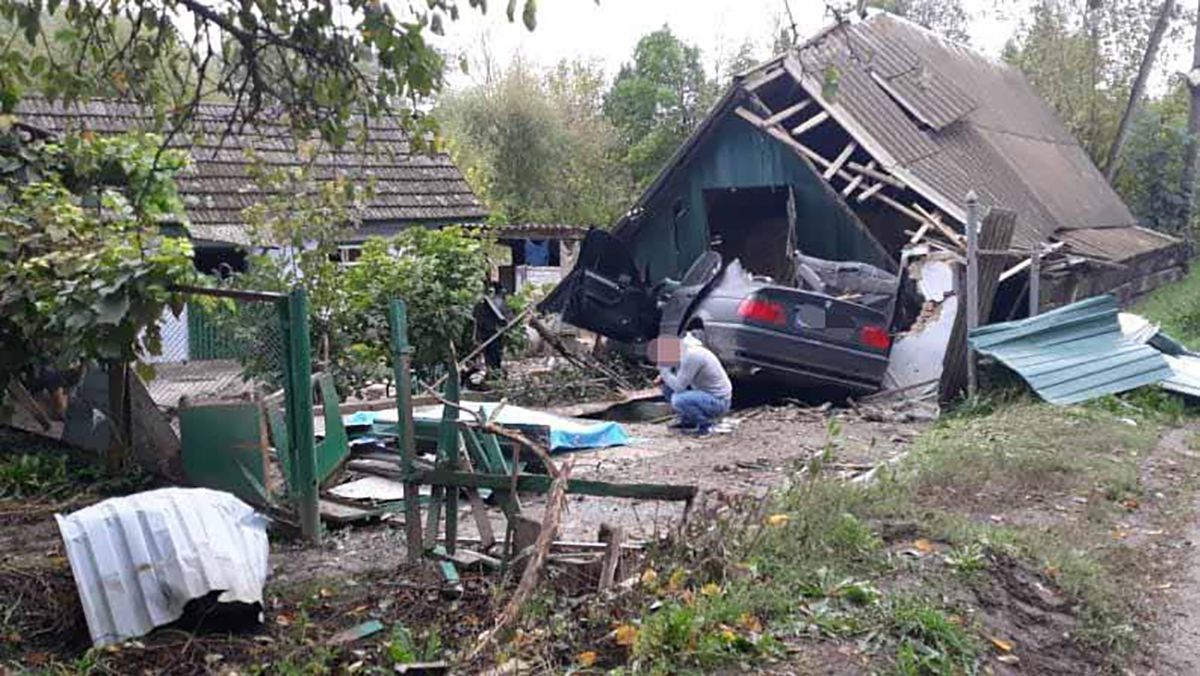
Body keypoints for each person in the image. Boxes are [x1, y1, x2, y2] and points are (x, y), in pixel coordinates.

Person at [650, 334, 732, 435]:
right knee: (666, 386)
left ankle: (705, 426)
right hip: (705, 394)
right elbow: (677, 376)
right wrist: (663, 376)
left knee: (678, 399)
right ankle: (688, 420)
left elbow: (679, 387)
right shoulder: (684, 352)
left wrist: (664, 371)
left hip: (718, 401)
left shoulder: (692, 356)